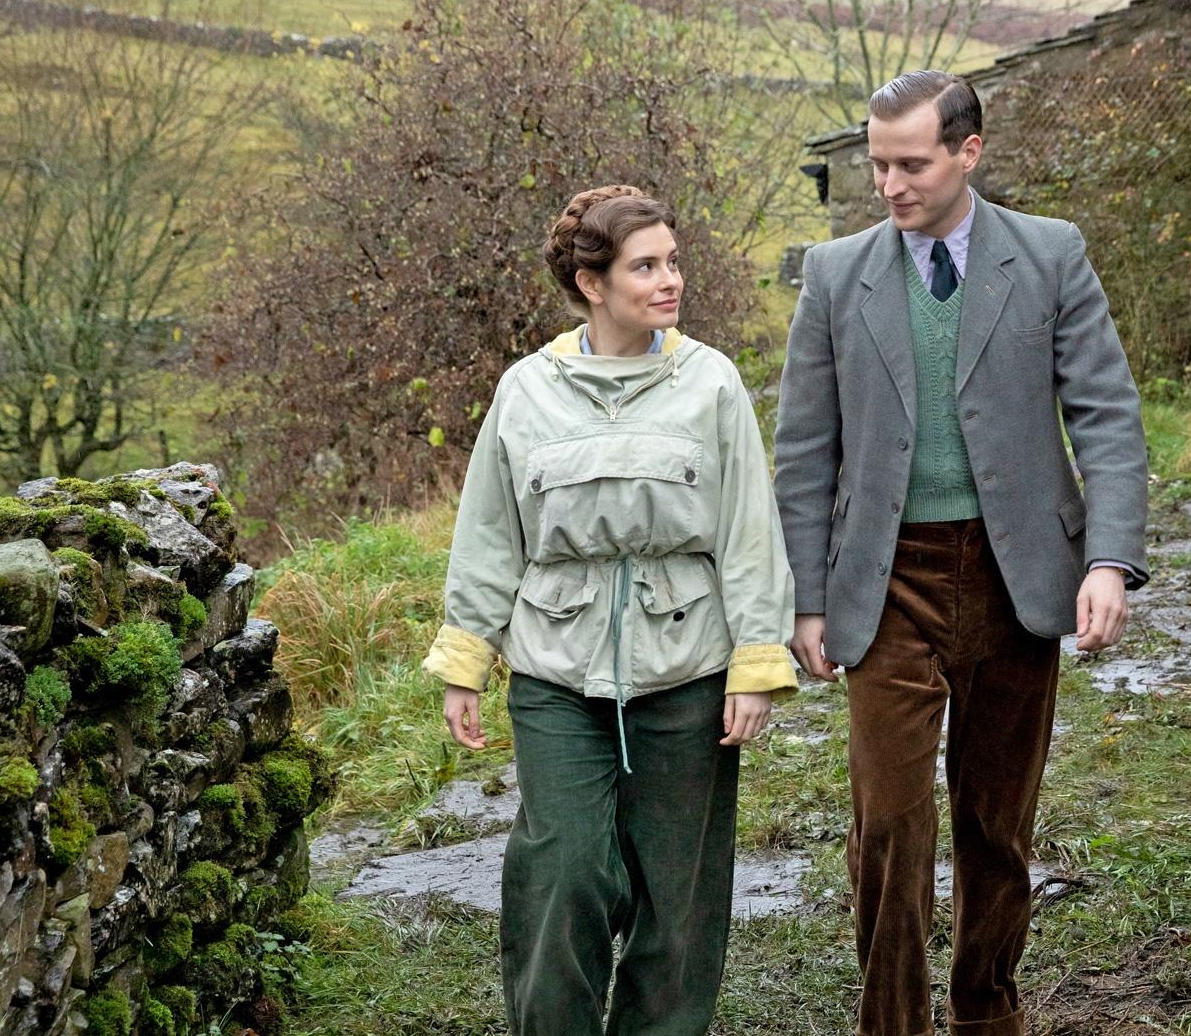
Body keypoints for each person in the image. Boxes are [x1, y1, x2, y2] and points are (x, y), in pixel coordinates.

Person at [773, 71, 1150, 1036]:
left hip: (1015, 577)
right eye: (876, 165)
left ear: (967, 152)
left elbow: (1105, 417)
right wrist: (807, 599)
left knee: (995, 823)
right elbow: (806, 451)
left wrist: (1106, 560)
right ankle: (890, 1019)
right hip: (882, 579)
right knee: (890, 826)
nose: (888, 186)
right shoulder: (832, 274)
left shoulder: (1050, 255)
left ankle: (986, 1007)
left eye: (910, 164)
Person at [422, 184, 799, 1035]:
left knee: (679, 895)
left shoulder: (710, 383)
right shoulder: (527, 391)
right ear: (592, 283)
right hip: (557, 674)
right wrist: (466, 660)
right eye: (645, 266)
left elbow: (747, 533)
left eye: (672, 261)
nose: (669, 280)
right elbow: (490, 533)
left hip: (687, 671)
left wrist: (756, 664)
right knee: (566, 871)